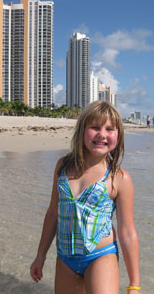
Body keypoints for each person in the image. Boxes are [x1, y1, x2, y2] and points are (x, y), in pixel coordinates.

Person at [30, 101, 141, 294]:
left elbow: (127, 232)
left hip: (101, 256)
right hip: (65, 258)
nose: (102, 134)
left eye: (110, 129)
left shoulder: (119, 178)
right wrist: (40, 256)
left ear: (119, 136)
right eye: (95, 127)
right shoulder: (63, 166)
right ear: (82, 130)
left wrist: (134, 284)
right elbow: (52, 214)